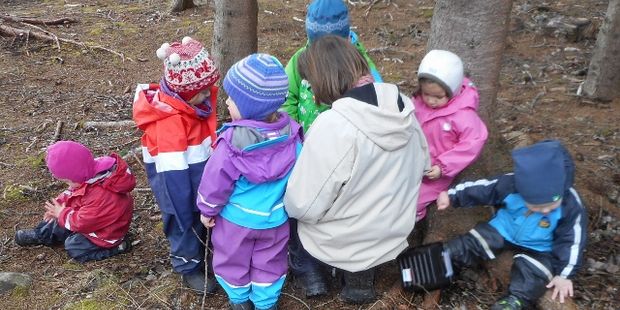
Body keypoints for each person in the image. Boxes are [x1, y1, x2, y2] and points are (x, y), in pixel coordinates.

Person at [284, 35, 430, 304]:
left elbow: (304, 204)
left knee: (291, 211)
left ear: (322, 79)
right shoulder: (402, 106)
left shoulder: (334, 125)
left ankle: (321, 269)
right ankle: (360, 280)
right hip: (396, 226)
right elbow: (424, 163)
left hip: (350, 237)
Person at [196, 53, 301, 310]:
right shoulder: (293, 137)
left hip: (236, 222)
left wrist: (207, 211)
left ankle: (239, 301)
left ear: (249, 106)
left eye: (232, 98)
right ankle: (266, 303)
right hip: (275, 219)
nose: (227, 101)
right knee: (270, 261)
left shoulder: (230, 146)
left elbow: (215, 183)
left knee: (232, 260)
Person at [435, 140, 587, 310]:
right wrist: (452, 195)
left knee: (534, 274)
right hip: (504, 229)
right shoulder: (512, 184)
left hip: (542, 248)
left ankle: (515, 301)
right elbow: (484, 188)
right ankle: (443, 260)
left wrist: (564, 275)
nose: (544, 211)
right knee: (472, 242)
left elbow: (572, 241)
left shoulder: (570, 204)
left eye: (550, 206)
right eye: (536, 206)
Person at [132, 36, 220, 293]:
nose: (210, 94)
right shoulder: (170, 123)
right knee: (184, 224)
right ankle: (187, 266)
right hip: (179, 187)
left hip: (198, 178)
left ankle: (205, 254)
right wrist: (183, 207)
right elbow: (172, 174)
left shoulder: (194, 106)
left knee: (200, 221)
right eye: (203, 91)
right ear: (185, 92)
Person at [14, 141, 135, 262]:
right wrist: (60, 204)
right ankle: (41, 235)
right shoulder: (88, 174)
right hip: (89, 217)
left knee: (74, 246)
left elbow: (83, 222)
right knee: (58, 218)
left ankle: (118, 247)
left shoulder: (104, 196)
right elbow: (73, 193)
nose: (68, 185)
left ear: (78, 175)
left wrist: (62, 213)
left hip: (104, 234)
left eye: (68, 181)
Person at [281, 0, 383, 133]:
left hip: (344, 139)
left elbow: (377, 98)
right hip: (305, 143)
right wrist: (293, 134)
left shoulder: (360, 63)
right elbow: (286, 96)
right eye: (318, 50)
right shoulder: (301, 59)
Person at [412, 49, 488, 223]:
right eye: (426, 94)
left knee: (414, 200)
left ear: (452, 90)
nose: (430, 101)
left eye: (438, 96)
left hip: (435, 171)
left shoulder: (462, 116)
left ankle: (412, 219)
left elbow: (472, 142)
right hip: (411, 160)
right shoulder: (418, 102)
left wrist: (443, 166)